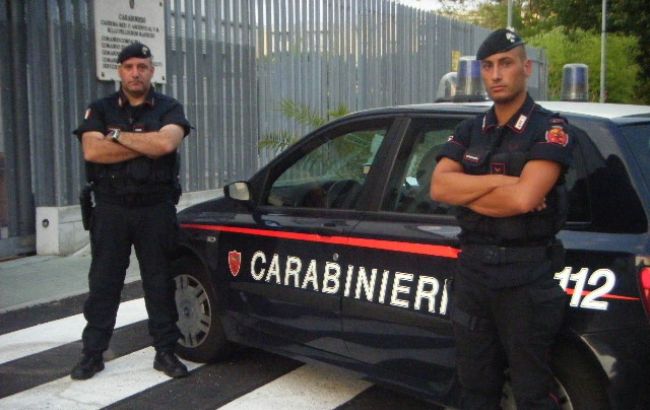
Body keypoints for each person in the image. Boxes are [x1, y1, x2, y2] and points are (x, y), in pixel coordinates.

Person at [431, 28, 575, 409]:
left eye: (506, 64)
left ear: (526, 68)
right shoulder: (469, 129)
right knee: (474, 389)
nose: (496, 74)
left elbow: (525, 199)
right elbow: (440, 187)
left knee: (531, 394)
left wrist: (470, 190)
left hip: (525, 277)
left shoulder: (550, 129)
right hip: (473, 272)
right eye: (488, 66)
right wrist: (503, 183)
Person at [71, 42, 192, 380]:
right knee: (104, 283)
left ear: (151, 70)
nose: (135, 73)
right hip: (111, 209)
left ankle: (165, 352)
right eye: (129, 67)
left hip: (155, 208)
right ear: (120, 71)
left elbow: (165, 144)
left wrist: (115, 136)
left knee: (159, 282)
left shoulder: (169, 107)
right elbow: (93, 152)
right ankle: (93, 353)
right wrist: (144, 144)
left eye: (142, 66)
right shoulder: (100, 108)